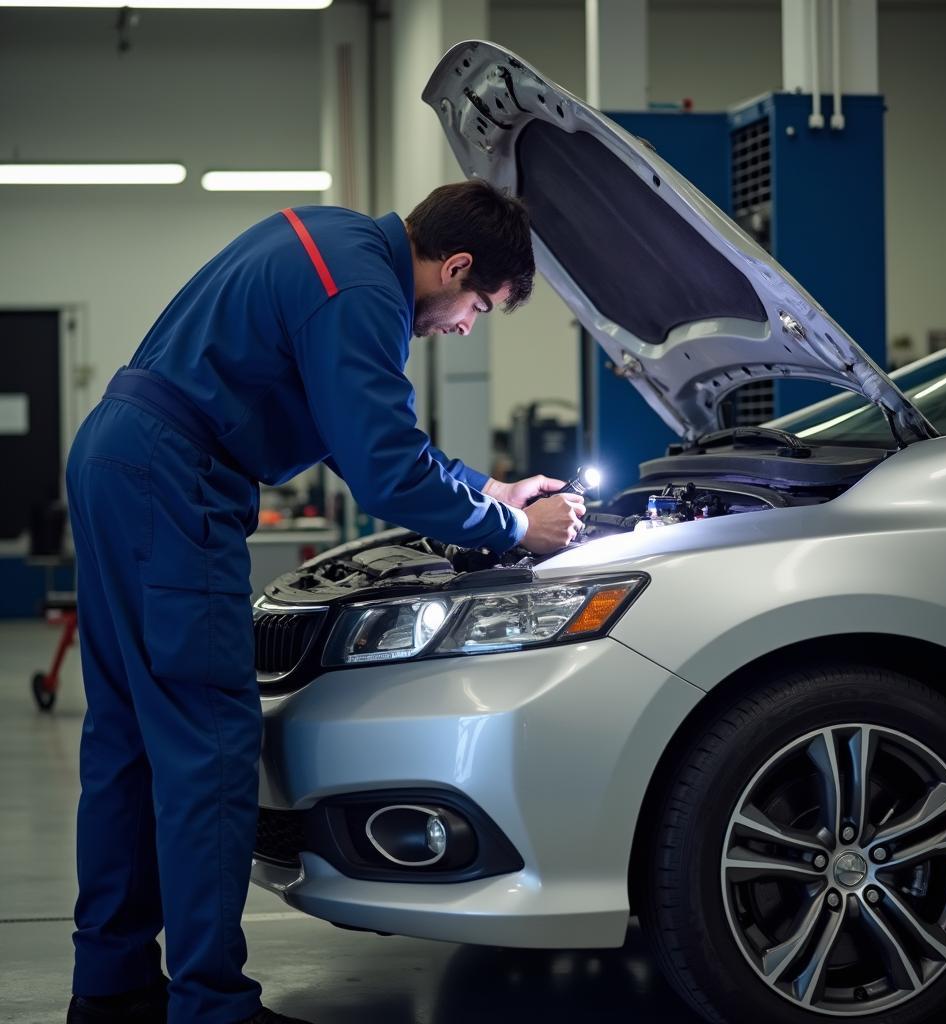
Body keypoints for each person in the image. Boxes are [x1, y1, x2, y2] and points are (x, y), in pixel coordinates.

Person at [65, 180, 584, 1024]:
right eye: (479, 306)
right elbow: (384, 468)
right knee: (210, 747)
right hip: (171, 480)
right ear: (454, 267)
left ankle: (112, 988)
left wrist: (491, 489)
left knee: (127, 739)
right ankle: (210, 1007)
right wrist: (517, 531)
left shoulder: (334, 241)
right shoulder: (363, 293)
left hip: (118, 456)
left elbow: (361, 437)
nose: (463, 327)